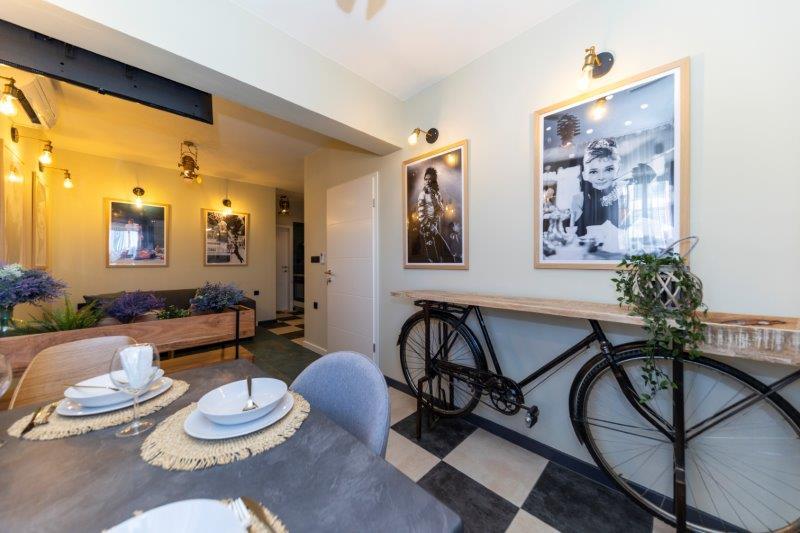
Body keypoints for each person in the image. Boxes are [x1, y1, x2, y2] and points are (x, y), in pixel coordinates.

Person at [571, 138, 622, 238]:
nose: (601, 177)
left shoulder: (623, 195)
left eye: (608, 169)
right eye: (593, 171)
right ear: (585, 175)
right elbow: (574, 235)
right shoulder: (579, 199)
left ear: (618, 170)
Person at [416, 167, 454, 263]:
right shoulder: (422, 194)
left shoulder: (437, 194)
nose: (427, 181)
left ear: (434, 180)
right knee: (433, 257)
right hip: (427, 227)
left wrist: (436, 219)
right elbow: (421, 213)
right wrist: (429, 225)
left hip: (434, 226)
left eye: (430, 179)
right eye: (426, 179)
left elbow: (441, 210)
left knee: (447, 256)